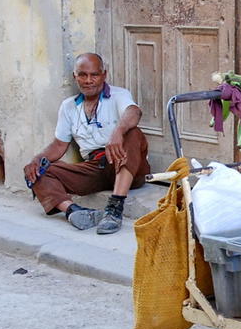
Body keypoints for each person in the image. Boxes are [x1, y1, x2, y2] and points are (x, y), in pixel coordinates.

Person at [23, 53, 150, 234]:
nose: (88, 80)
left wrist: (118, 132)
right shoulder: (69, 106)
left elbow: (133, 112)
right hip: (95, 167)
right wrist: (37, 158)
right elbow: (59, 145)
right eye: (82, 75)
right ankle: (74, 211)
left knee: (133, 134)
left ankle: (115, 208)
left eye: (94, 75)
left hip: (128, 166)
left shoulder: (118, 95)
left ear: (104, 75)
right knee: (36, 170)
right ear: (75, 77)